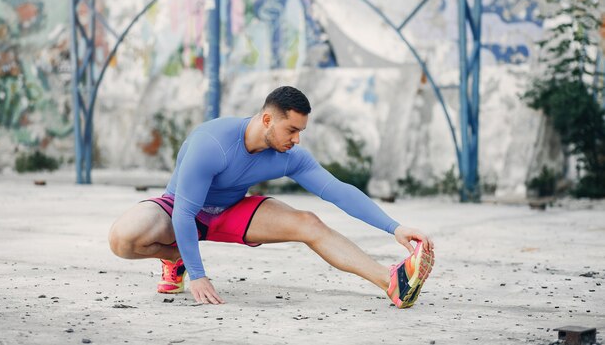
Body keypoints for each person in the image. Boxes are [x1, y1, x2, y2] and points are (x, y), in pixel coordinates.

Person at [109, 86, 434, 308]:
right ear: (267, 119)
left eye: (300, 132)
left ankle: (393, 283)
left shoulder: (290, 155)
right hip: (181, 208)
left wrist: (394, 228)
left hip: (230, 210)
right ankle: (175, 259)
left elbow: (338, 191)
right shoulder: (212, 142)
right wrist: (197, 274)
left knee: (309, 223)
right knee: (121, 239)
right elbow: (183, 214)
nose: (296, 139)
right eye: (291, 130)